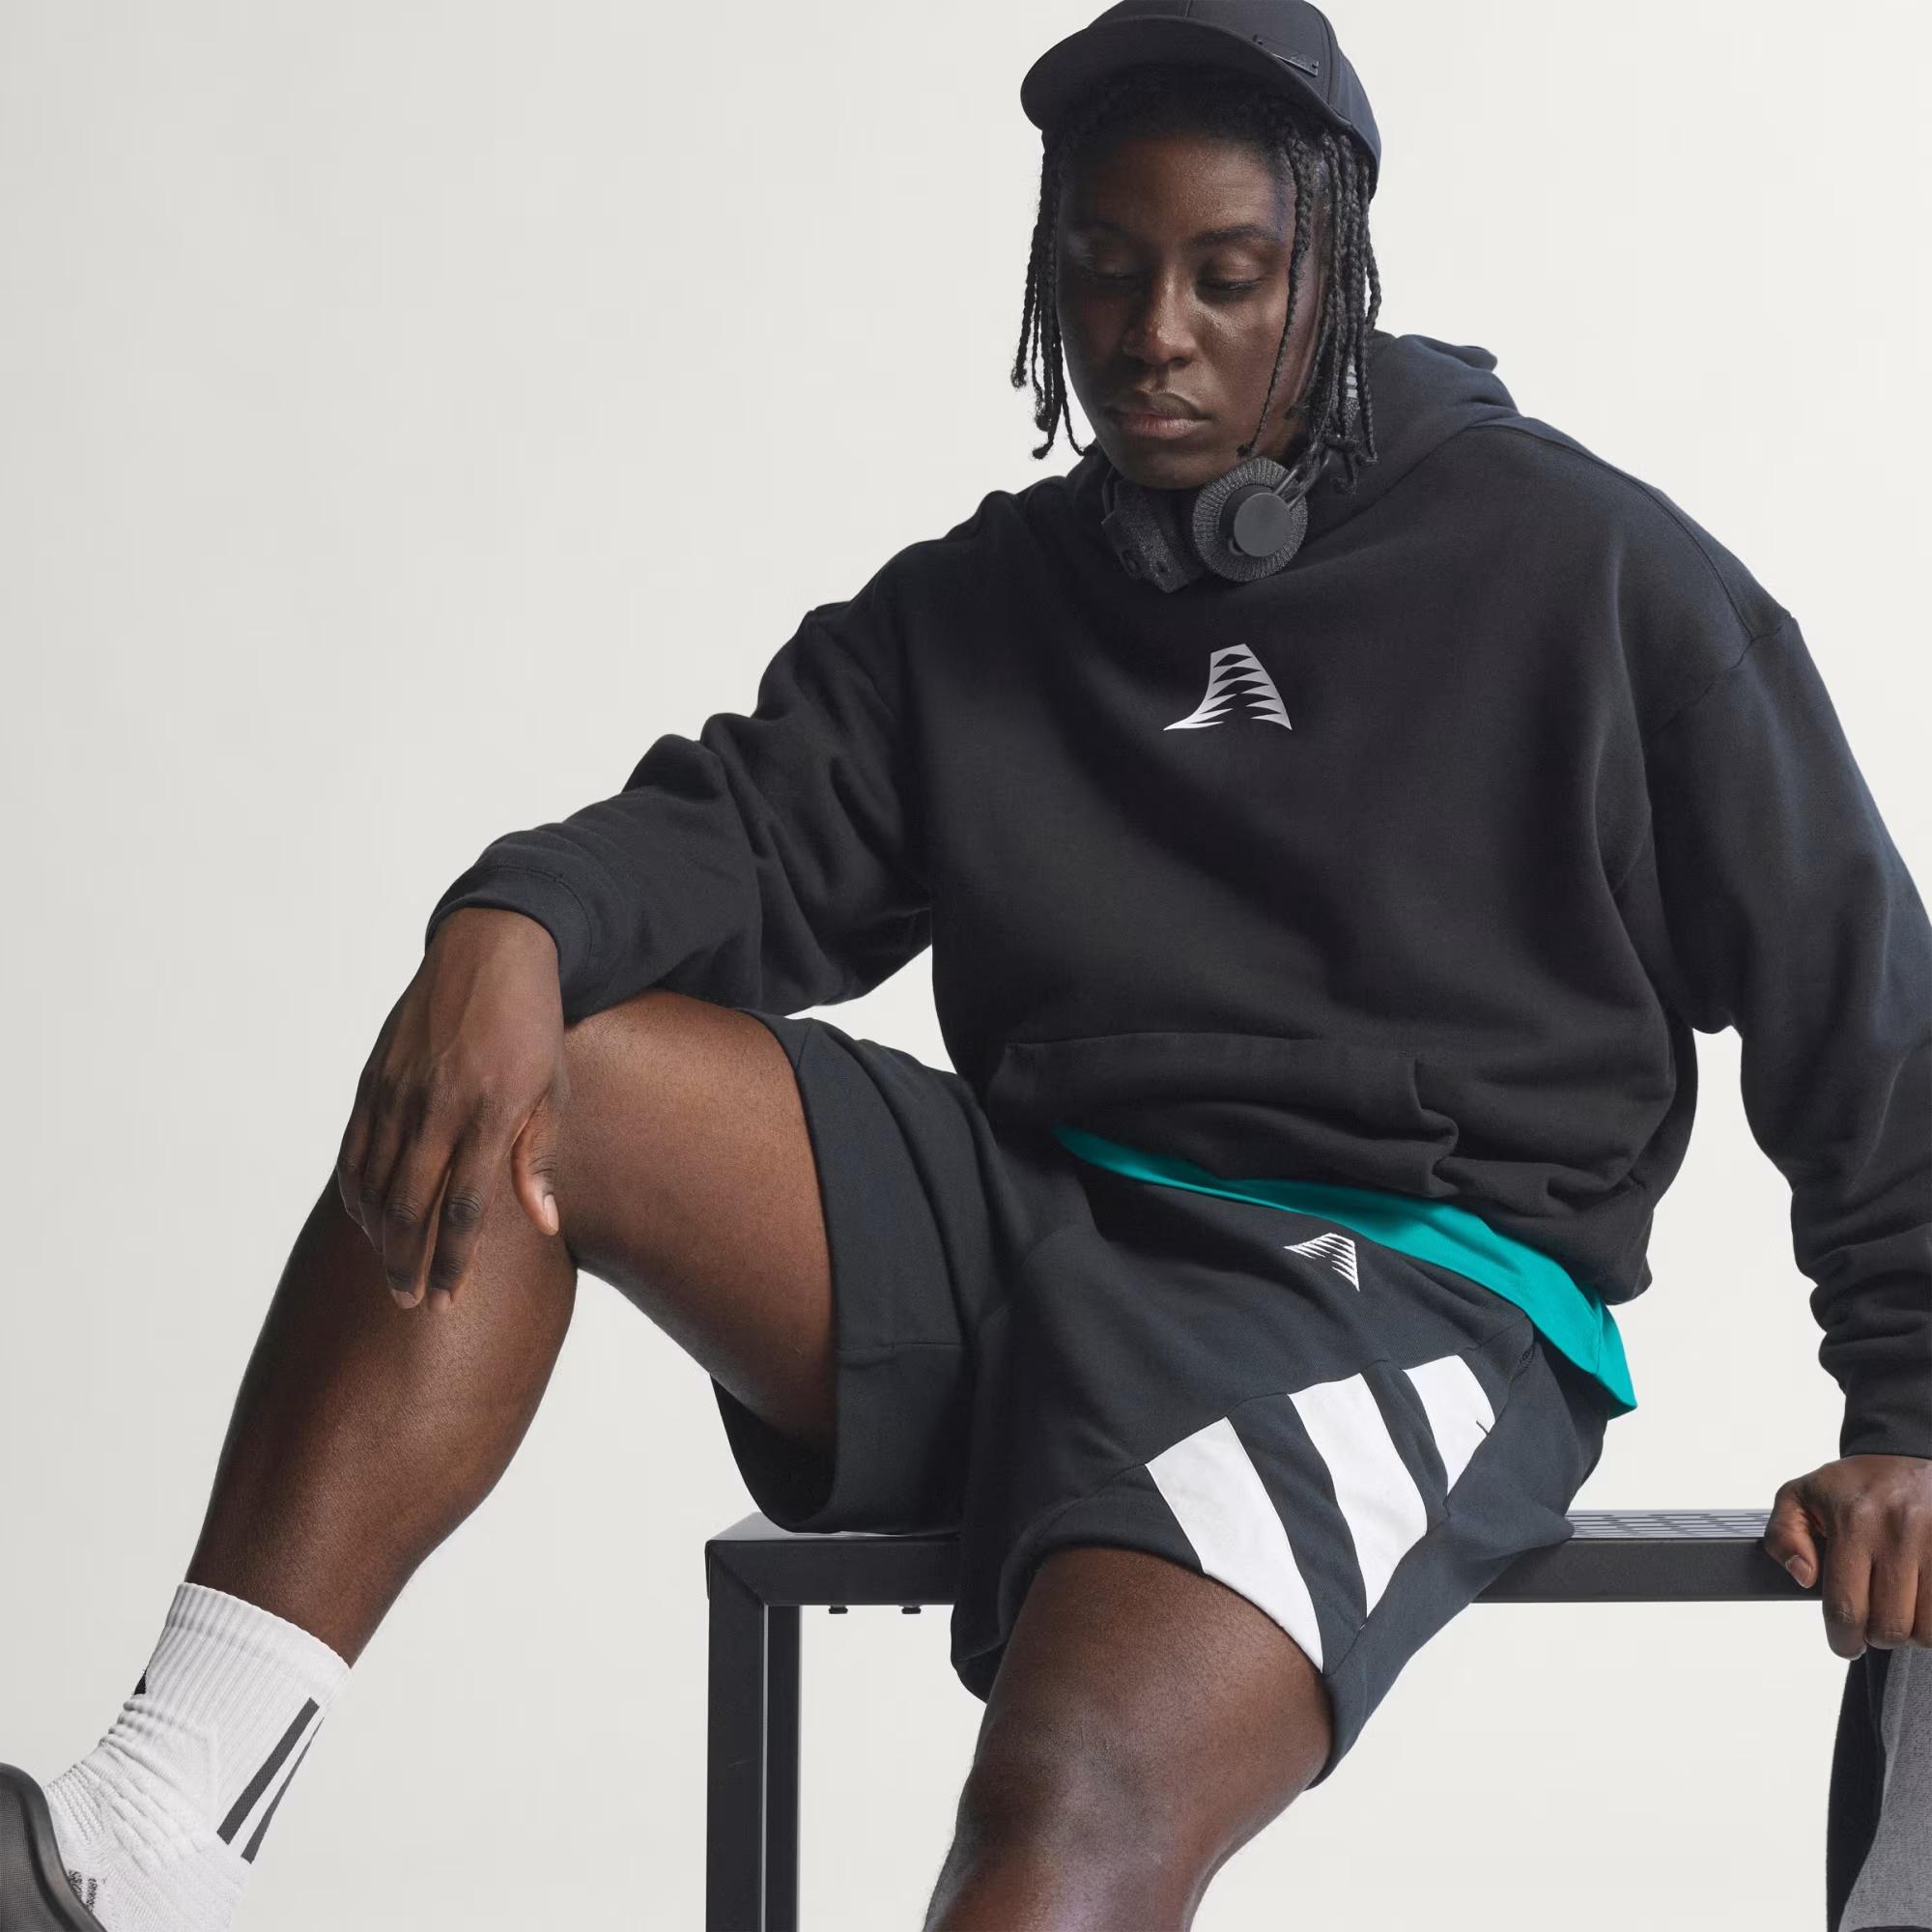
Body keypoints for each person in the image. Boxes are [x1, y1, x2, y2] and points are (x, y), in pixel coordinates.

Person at [4, 2, 1928, 1927]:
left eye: (1225, 277)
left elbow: (1864, 1006)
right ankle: (163, 1834)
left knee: (1063, 1811)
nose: (1151, 333)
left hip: (1394, 1280)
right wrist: (503, 923)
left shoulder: (1587, 569)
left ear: (1333, 274)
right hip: (1037, 1223)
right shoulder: (988, 603)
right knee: (539, 1067)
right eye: (1101, 269)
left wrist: (1910, 1421)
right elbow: (743, 831)